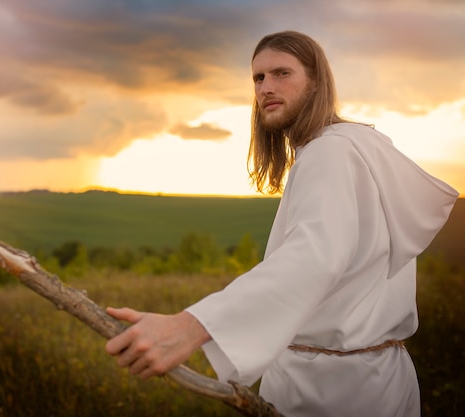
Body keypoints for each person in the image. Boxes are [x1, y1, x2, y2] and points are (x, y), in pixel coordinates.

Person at [105, 30, 459, 417]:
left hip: (330, 392)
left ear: (317, 82)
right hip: (376, 379)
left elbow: (314, 256)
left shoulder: (330, 152)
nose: (266, 88)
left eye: (281, 73)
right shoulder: (356, 146)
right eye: (258, 78)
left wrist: (191, 326)